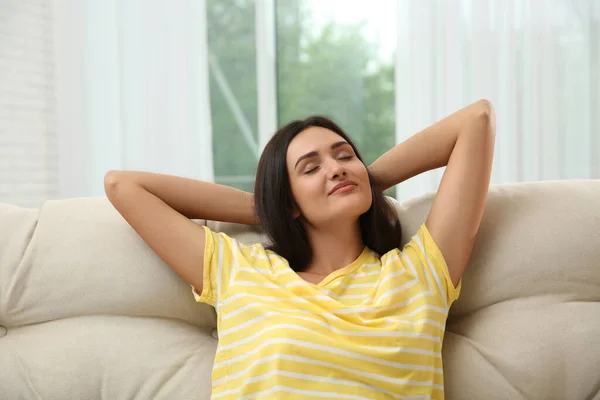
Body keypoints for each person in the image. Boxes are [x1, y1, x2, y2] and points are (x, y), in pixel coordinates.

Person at [104, 99, 496, 399]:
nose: (336, 168)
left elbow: (476, 120)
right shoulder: (240, 271)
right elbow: (123, 186)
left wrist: (367, 180)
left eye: (345, 156)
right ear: (288, 200)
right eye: (311, 168)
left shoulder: (419, 273)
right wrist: (272, 208)